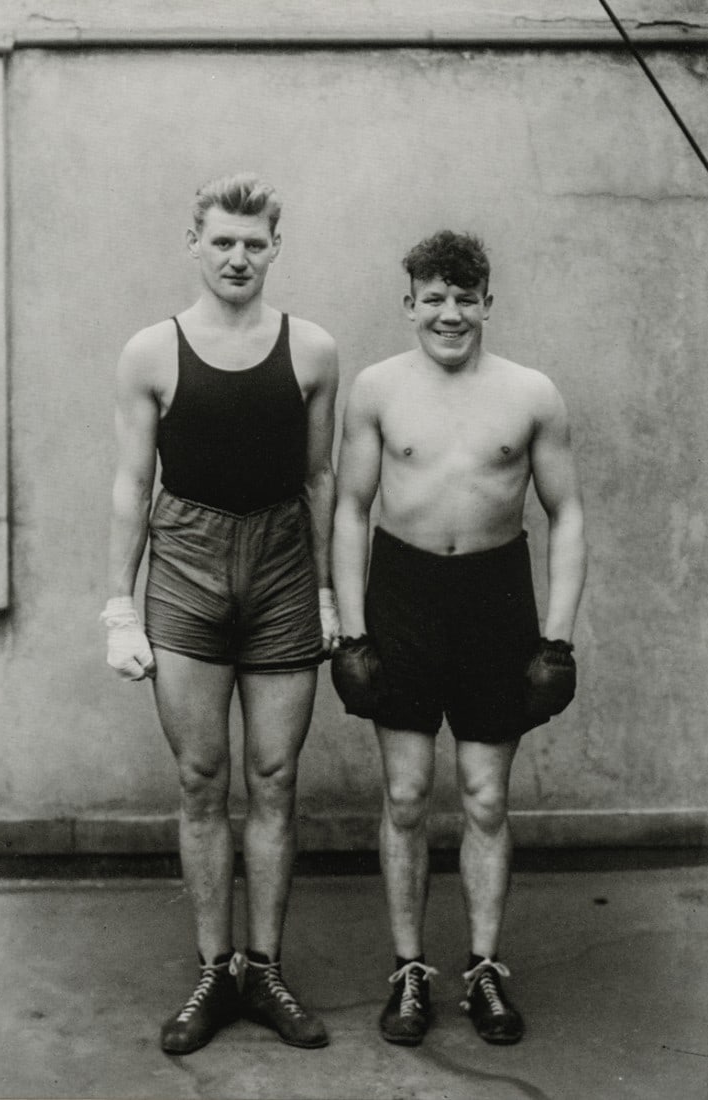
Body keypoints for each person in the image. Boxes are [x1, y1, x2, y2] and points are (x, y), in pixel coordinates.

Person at [101, 173, 340, 1054]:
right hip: (188, 568)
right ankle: (213, 969)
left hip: (280, 569)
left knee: (274, 778)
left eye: (253, 243)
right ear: (194, 244)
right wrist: (118, 606)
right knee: (202, 778)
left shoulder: (311, 350)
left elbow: (320, 479)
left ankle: (263, 969)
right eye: (222, 242)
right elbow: (133, 483)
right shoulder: (150, 352)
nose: (238, 257)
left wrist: (328, 591)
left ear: (275, 248)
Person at [331, 230, 586, 1047]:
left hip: (493, 599)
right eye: (433, 298)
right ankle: (408, 970)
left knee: (485, 797)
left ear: (487, 303)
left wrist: (556, 641)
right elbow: (349, 510)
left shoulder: (530, 393)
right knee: (406, 795)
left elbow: (566, 515)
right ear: (409, 304)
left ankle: (482, 970)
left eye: (464, 299)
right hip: (402, 596)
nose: (449, 314)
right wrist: (350, 631)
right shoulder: (376, 389)